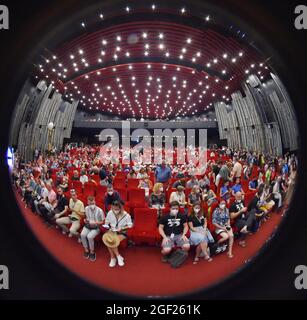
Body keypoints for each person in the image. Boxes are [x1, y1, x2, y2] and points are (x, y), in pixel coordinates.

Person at [103, 200, 133, 267]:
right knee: (108, 239)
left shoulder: (126, 215)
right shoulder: (110, 212)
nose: (114, 210)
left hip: (122, 232)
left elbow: (130, 225)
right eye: (113, 209)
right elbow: (106, 222)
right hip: (112, 231)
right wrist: (108, 226)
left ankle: (115, 257)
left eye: (116, 209)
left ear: (120, 208)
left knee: (113, 241)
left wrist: (122, 228)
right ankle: (115, 257)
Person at [80, 196, 105, 262]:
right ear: (87, 203)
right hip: (88, 226)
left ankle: (92, 252)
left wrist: (95, 222)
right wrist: (85, 220)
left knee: (89, 237)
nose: (91, 205)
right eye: (90, 203)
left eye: (92, 203)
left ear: (95, 202)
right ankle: (86, 250)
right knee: (82, 235)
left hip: (96, 227)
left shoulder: (100, 210)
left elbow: (103, 221)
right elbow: (86, 218)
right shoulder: (86, 208)